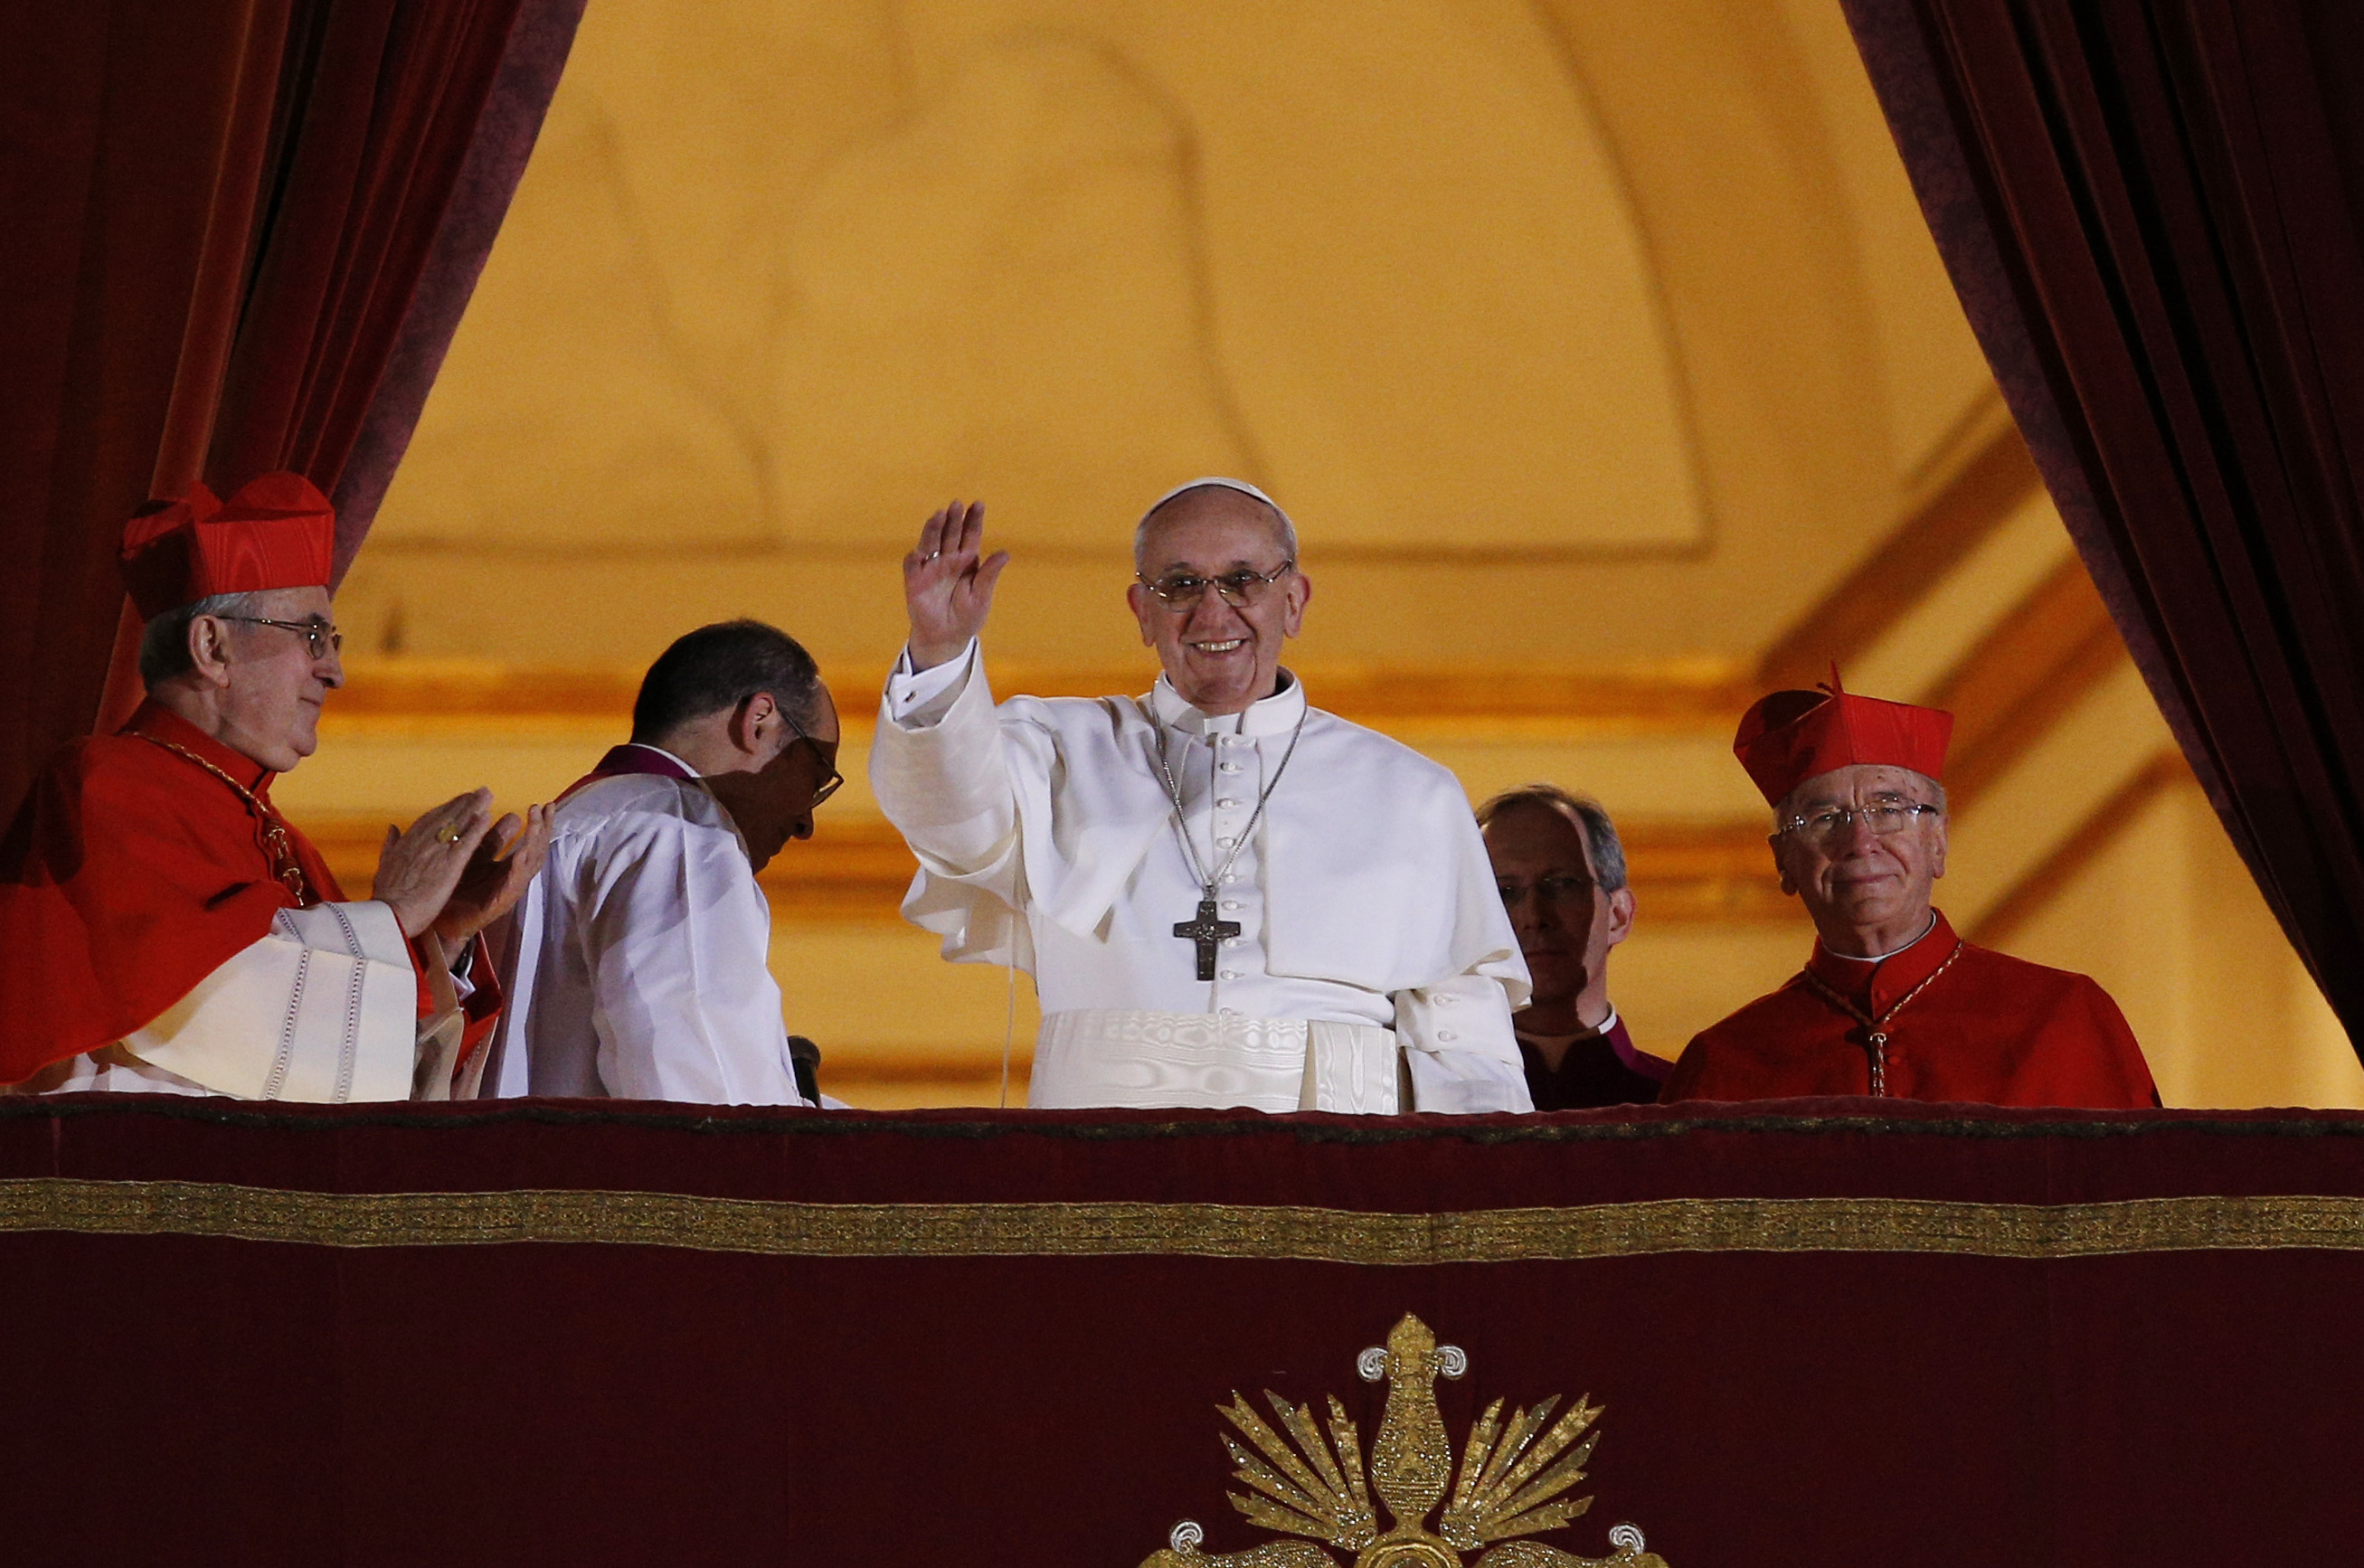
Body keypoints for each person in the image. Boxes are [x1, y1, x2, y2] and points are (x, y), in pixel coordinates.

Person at [869, 482, 1532, 1113]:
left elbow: (1462, 1035)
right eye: (1181, 585)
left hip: (1332, 1177)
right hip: (1106, 1164)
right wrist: (939, 652)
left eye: (1244, 580)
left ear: (1294, 601)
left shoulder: (1411, 793)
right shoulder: (1058, 751)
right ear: (1142, 611)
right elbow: (948, 815)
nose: (1213, 613)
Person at [0, 474, 550, 1100]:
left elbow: (368, 1081)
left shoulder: (282, 835)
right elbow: (219, 1015)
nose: (335, 670)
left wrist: (440, 934)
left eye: (334, 641)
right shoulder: (108, 785)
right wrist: (390, 918)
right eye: (312, 635)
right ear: (212, 646)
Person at [1660, 677, 2158, 1106]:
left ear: (1937, 840)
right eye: (1824, 818)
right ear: (1784, 861)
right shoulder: (1724, 1065)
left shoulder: (2064, 1018)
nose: (1860, 843)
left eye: (1889, 809)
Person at [486, 620, 842, 1103]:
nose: (806, 822)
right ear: (759, 721)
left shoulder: (567, 827)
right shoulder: (679, 827)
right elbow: (702, 1085)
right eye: (816, 774)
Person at [1478, 785, 1669, 1108]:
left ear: (1618, 915)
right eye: (1505, 892)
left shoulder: (1682, 1102)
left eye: (1562, 884)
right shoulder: (1435, 1108)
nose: (1534, 917)